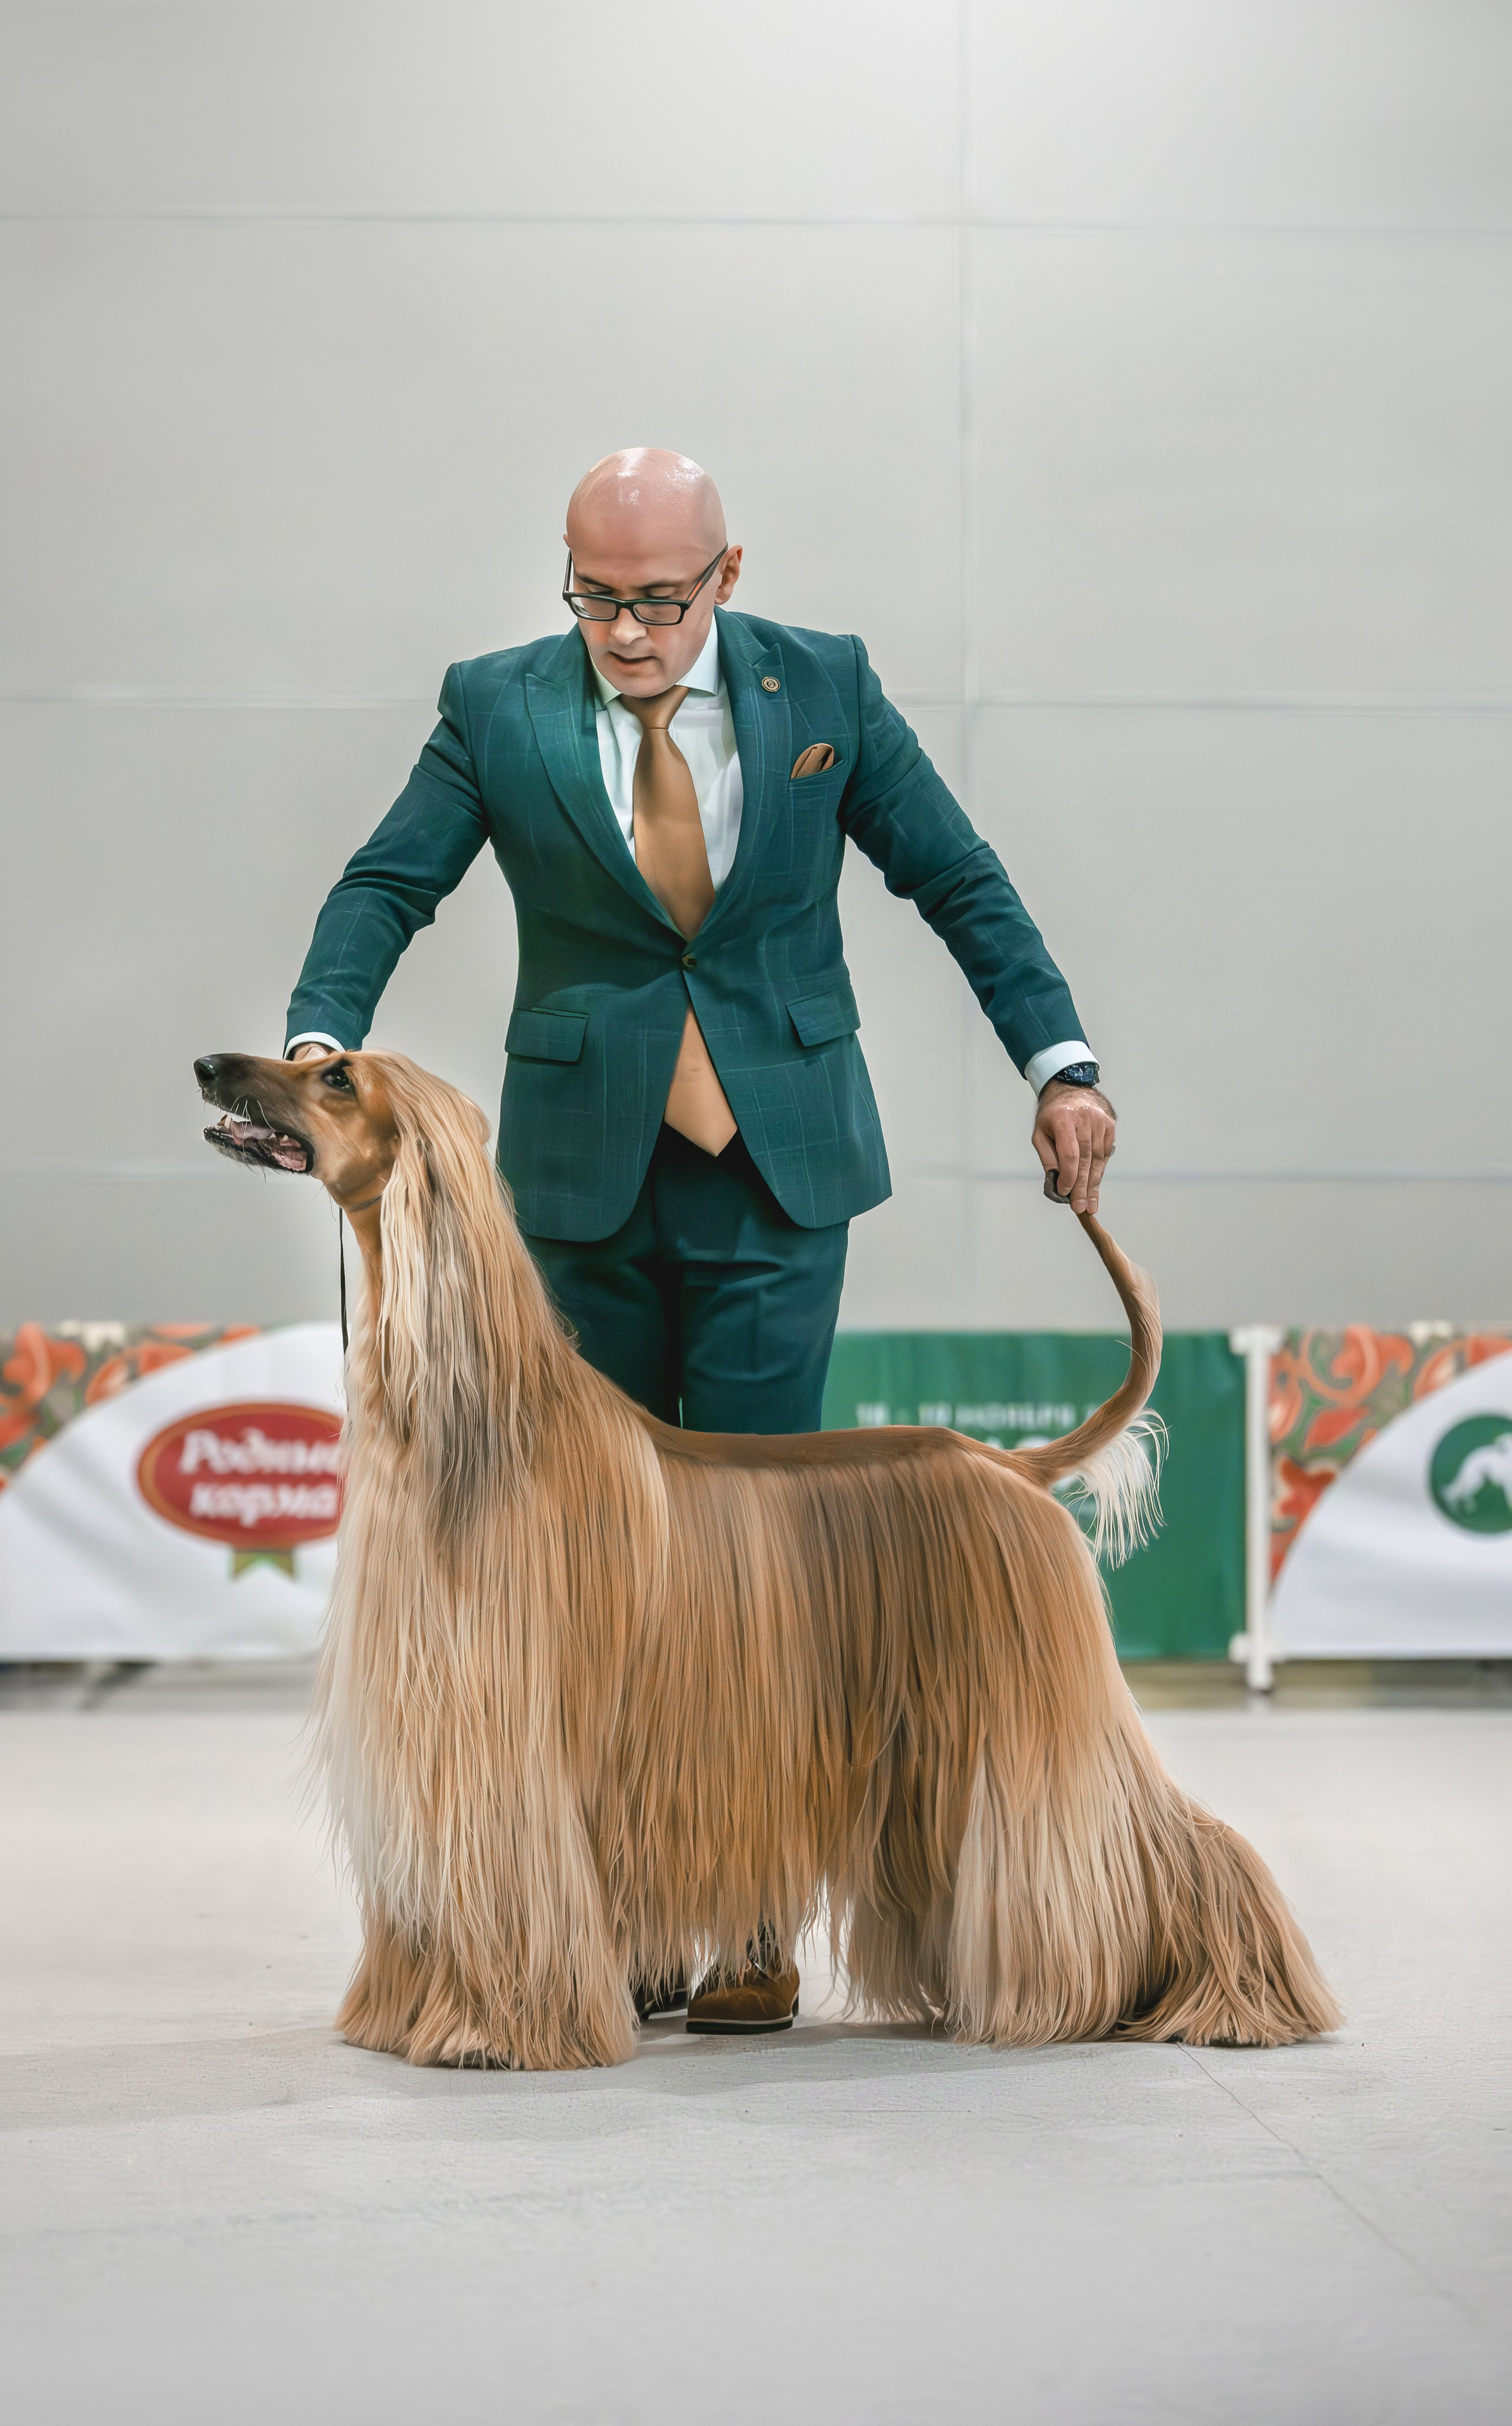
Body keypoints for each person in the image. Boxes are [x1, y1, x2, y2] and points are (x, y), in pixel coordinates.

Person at [285, 447, 1116, 2034]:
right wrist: (323, 1034)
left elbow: (957, 878)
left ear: (725, 577)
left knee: (761, 1587)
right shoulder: (496, 702)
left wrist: (1057, 1061)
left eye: (656, 602)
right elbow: (389, 881)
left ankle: (743, 1926)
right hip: (578, 1190)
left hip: (777, 1174)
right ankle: (623, 1913)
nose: (623, 633)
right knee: (598, 1589)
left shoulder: (827, 691)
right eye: (593, 598)